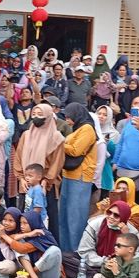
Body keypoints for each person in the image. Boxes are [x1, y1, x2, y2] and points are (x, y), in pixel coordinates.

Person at [13, 103, 66, 242]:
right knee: (24, 218)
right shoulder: (26, 135)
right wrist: (21, 178)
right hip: (26, 184)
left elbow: (57, 162)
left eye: (40, 115)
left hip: (45, 186)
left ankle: (48, 251)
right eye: (34, 114)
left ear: (48, 116)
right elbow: (18, 157)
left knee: (47, 220)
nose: (36, 117)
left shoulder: (56, 137)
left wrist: (46, 180)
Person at [59, 103, 98, 252]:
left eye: (69, 117)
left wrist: (60, 141)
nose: (67, 121)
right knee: (64, 216)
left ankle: (77, 252)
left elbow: (76, 150)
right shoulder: (77, 129)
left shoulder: (87, 129)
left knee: (75, 218)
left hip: (81, 177)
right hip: (68, 174)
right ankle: (65, 251)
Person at [68, 200, 138, 278]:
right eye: (109, 212)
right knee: (65, 257)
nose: (111, 217)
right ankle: (99, 274)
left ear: (123, 217)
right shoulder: (95, 224)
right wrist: (104, 261)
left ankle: (98, 275)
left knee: (125, 270)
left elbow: (132, 258)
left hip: (116, 266)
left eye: (116, 215)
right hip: (95, 261)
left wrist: (126, 236)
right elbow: (84, 251)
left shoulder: (132, 232)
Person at [7, 210, 62, 278]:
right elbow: (10, 239)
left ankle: (29, 277)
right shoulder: (25, 234)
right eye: (21, 223)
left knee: (55, 250)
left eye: (25, 223)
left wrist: (28, 275)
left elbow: (22, 249)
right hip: (35, 275)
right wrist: (28, 234)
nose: (22, 226)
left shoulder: (43, 234)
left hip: (49, 275)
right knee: (17, 242)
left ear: (33, 222)